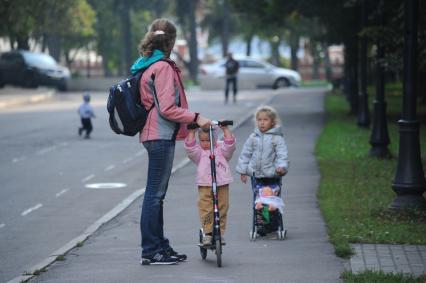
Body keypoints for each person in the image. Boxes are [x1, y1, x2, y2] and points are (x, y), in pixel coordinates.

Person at [133, 18, 211, 265]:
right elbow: (167, 108)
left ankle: (160, 246)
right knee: (154, 195)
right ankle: (151, 250)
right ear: (172, 41)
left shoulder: (146, 64)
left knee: (157, 194)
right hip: (159, 135)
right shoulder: (163, 67)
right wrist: (196, 117)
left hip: (152, 134)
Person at [184, 124, 236, 246]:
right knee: (206, 208)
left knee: (223, 206)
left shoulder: (220, 150)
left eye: (208, 140)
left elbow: (230, 145)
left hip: (222, 183)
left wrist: (225, 129)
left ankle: (220, 232)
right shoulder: (199, 153)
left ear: (215, 139)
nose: (205, 143)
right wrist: (191, 131)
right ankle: (207, 233)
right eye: (202, 140)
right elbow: (190, 148)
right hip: (205, 184)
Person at [236, 105, 289, 184]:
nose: (262, 122)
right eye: (259, 120)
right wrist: (242, 171)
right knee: (258, 195)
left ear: (272, 122)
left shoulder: (276, 138)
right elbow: (245, 154)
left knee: (271, 195)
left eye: (265, 120)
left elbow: (282, 154)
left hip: (272, 175)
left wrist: (281, 166)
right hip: (255, 175)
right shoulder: (253, 137)